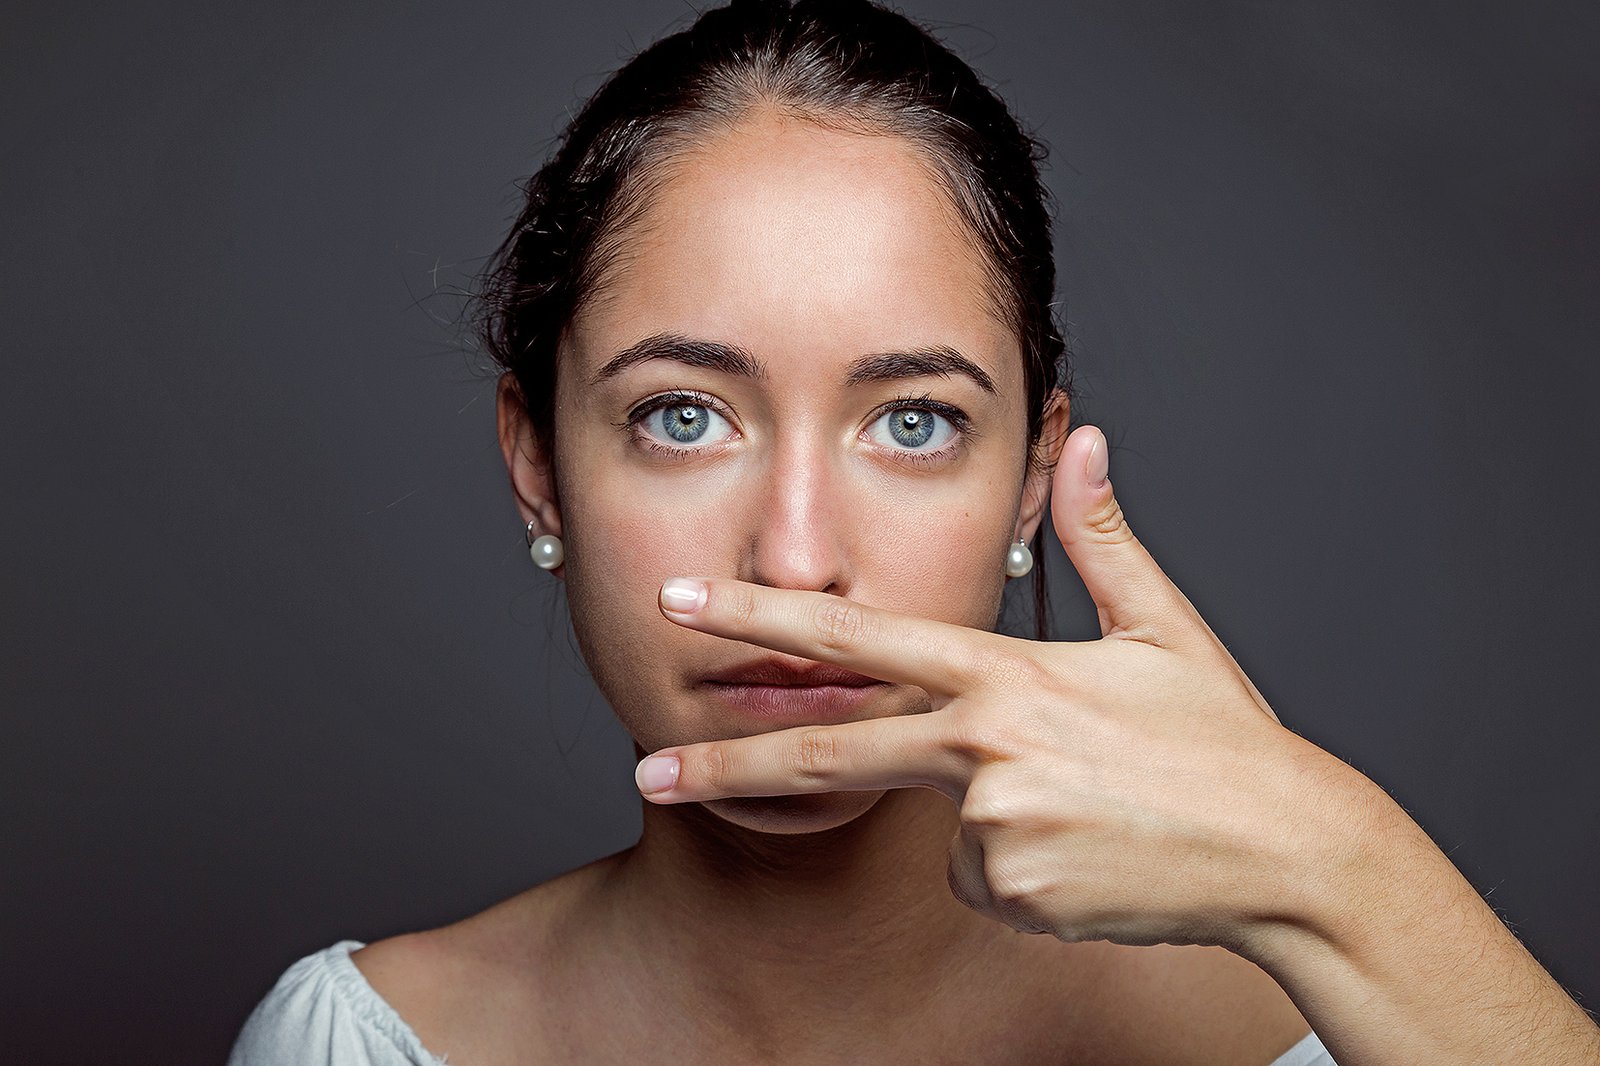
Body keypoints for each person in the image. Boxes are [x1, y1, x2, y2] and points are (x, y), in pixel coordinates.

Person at [227, 1, 1600, 1062]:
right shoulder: (358, 1040)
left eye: (914, 422)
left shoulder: (1321, 1031)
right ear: (539, 466)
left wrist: (1332, 853)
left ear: (1032, 482)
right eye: (685, 416)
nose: (798, 557)